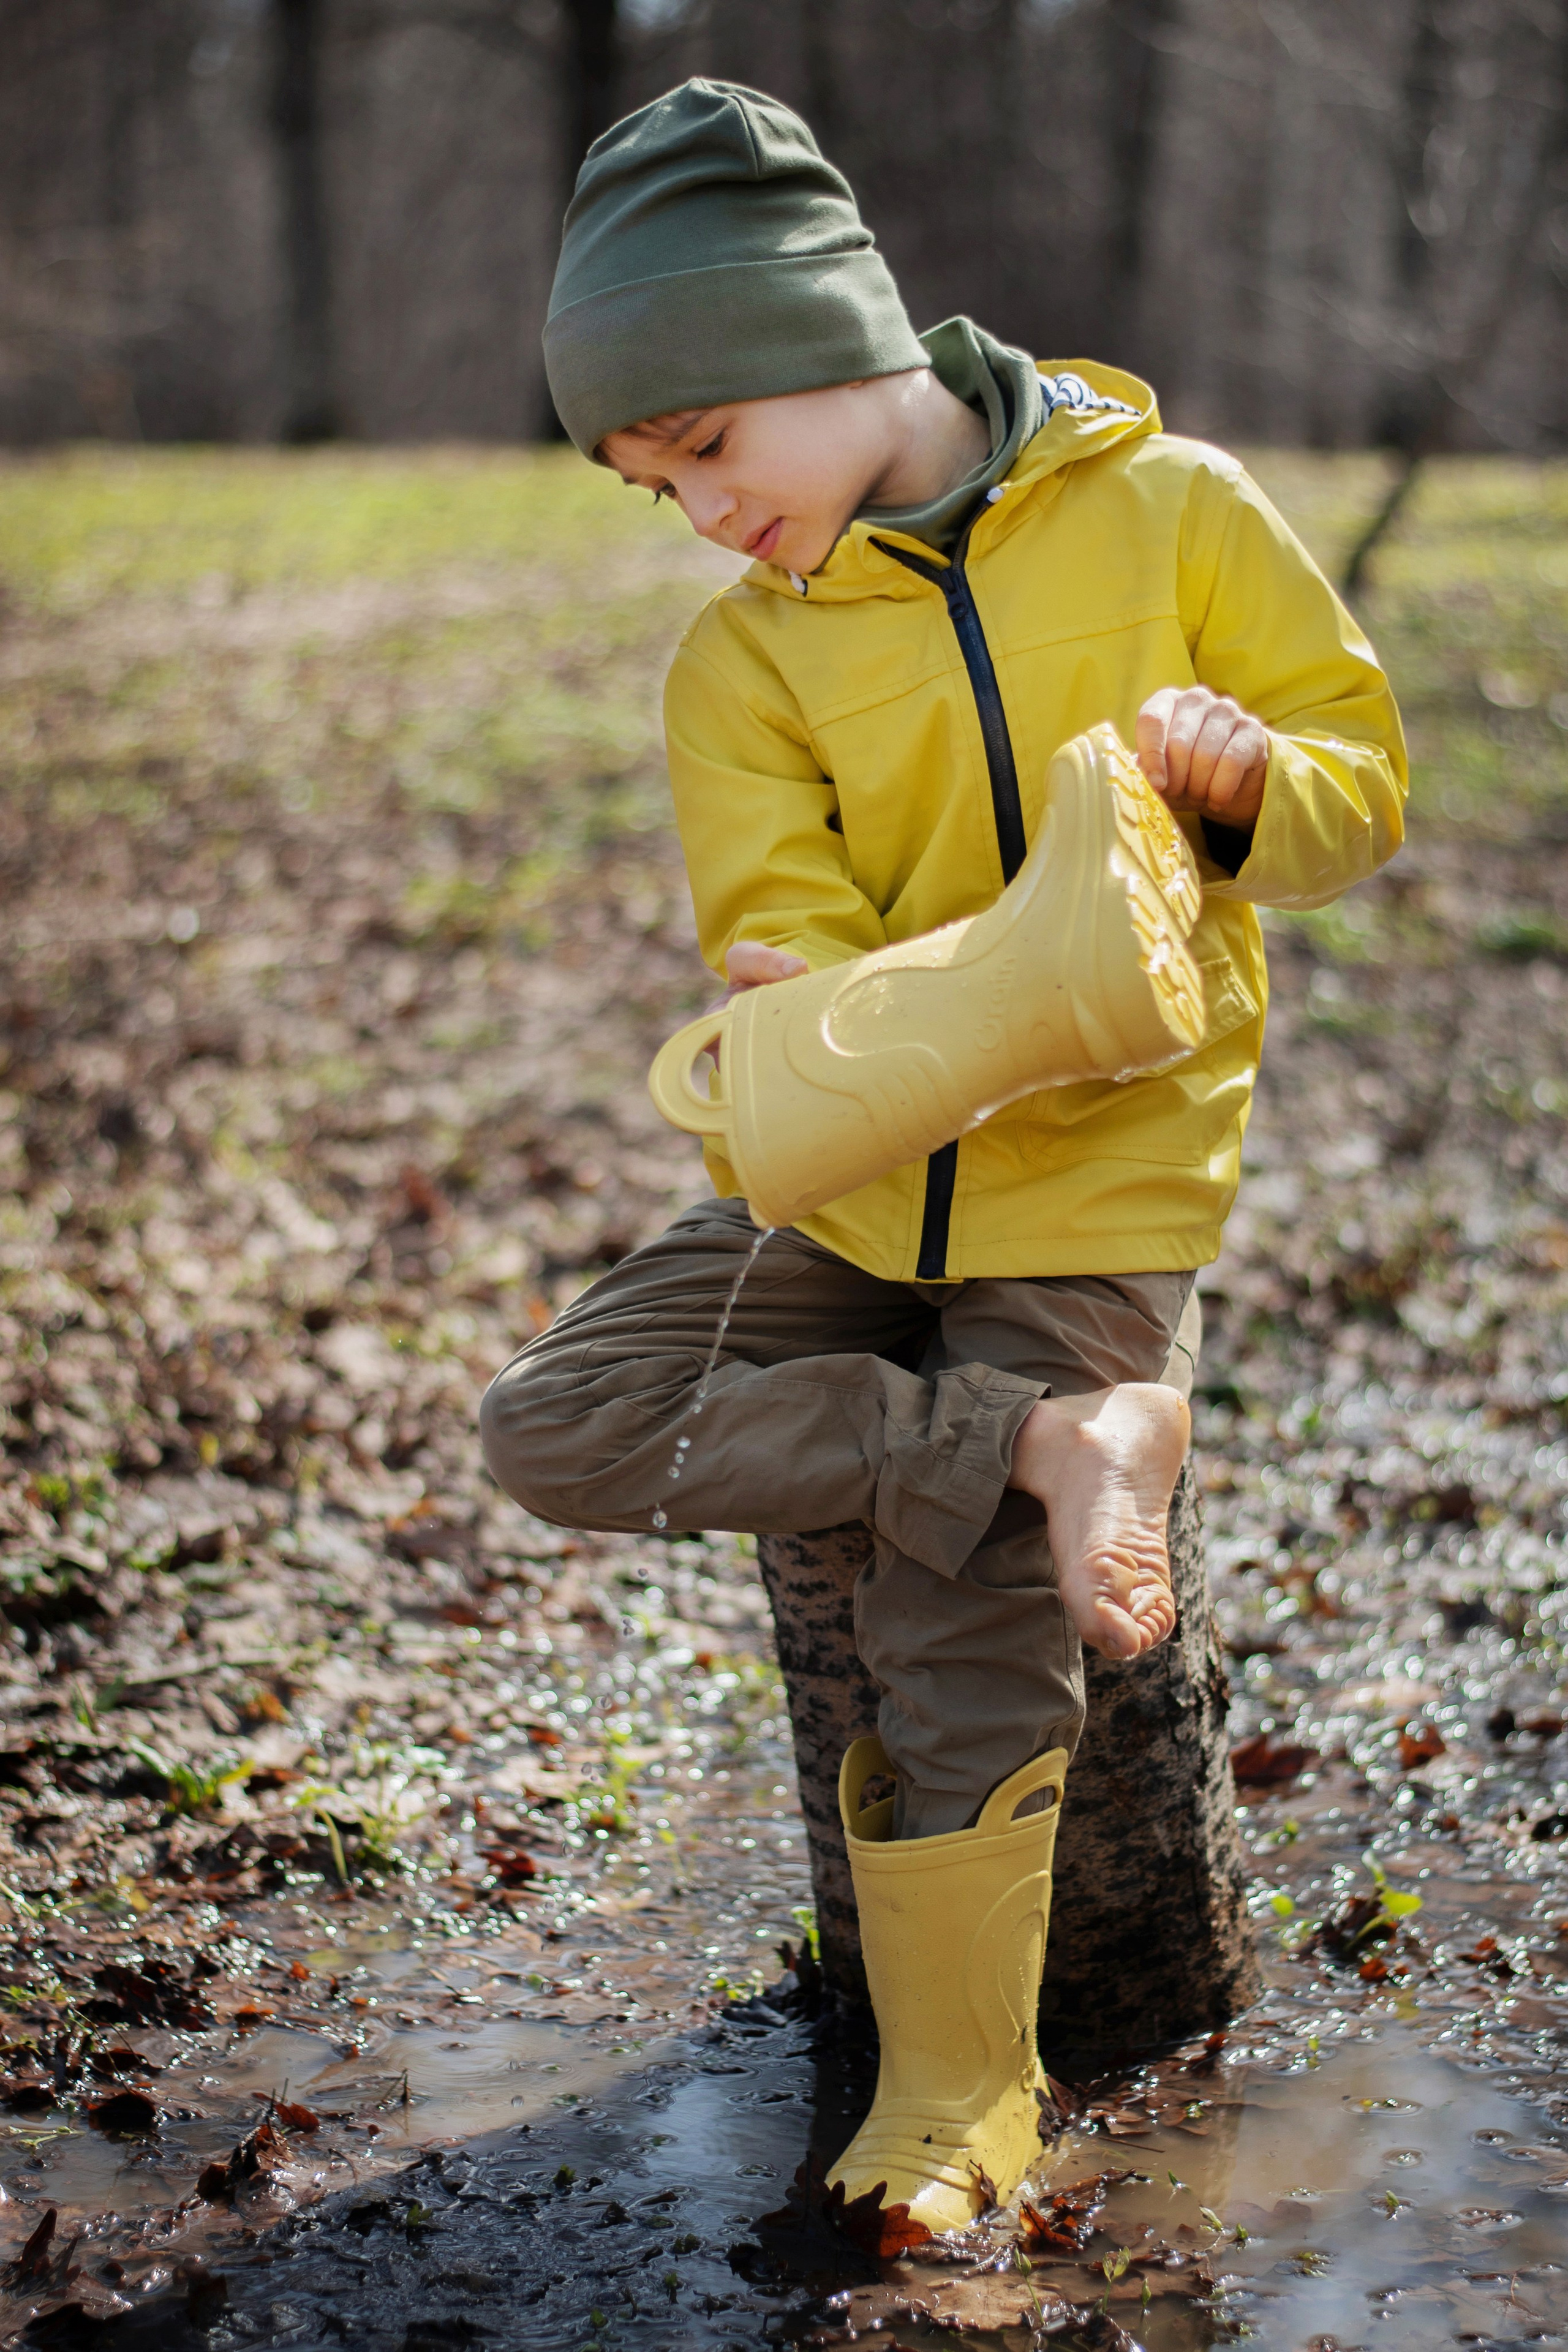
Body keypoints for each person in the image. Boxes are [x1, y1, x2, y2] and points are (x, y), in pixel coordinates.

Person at [481, 80, 1406, 2228]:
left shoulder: (1175, 509)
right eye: (652, 486)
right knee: (565, 1422)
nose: (699, 511)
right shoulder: (742, 664)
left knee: (962, 1626)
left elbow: (1364, 793)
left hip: (1094, 1183)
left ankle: (962, 2090)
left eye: (707, 447)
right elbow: (771, 928)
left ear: (833, 335)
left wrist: (1253, 777)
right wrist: (809, 980)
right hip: (846, 1161)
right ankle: (1043, 1442)